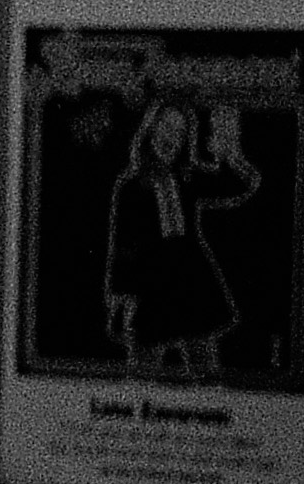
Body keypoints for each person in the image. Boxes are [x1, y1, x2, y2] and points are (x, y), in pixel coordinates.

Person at [102, 98, 257, 380]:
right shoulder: (131, 186)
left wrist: (230, 152)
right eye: (166, 128)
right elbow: (123, 245)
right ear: (151, 130)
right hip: (150, 283)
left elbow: (239, 184)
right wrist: (123, 297)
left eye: (180, 131)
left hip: (190, 277)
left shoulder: (188, 176)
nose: (172, 136)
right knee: (143, 369)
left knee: (204, 365)